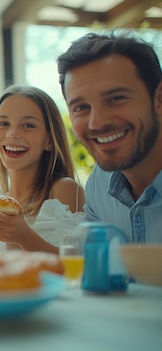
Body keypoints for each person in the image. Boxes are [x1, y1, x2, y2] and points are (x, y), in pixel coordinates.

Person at [57, 31, 162, 244]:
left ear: (159, 99)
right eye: (81, 107)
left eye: (115, 99)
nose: (97, 123)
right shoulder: (99, 183)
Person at [0, 85, 86, 255]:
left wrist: (23, 236)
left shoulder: (64, 190)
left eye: (28, 125)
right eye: (3, 123)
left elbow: (76, 265)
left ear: (49, 140)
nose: (12, 133)